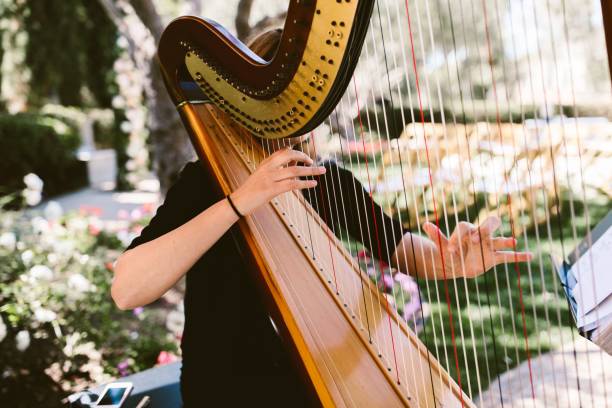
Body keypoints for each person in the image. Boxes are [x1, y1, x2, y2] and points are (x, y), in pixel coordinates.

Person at [111, 29, 533, 406]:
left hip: (314, 382)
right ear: (245, 106)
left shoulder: (327, 182)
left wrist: (451, 262)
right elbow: (127, 290)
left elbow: (404, 249)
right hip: (224, 389)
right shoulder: (205, 181)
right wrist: (242, 200)